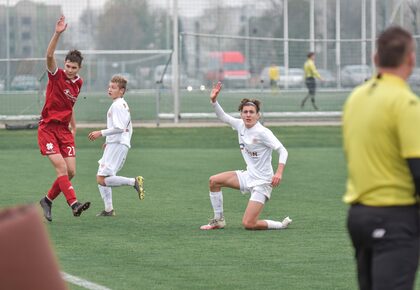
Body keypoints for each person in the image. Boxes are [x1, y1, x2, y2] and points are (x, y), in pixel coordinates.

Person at [342, 26, 420, 290]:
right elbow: (418, 169)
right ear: (411, 58)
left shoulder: (356, 98)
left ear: (376, 58)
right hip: (394, 217)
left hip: (358, 216)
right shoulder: (406, 104)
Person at [200, 82, 292, 230]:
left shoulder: (263, 132)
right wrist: (214, 100)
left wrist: (279, 172)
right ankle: (218, 220)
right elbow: (222, 116)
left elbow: (283, 151)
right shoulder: (239, 125)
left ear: (258, 115)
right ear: (241, 114)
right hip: (248, 175)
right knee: (214, 181)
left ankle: (280, 225)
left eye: (251, 112)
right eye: (245, 112)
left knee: (249, 224)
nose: (248, 115)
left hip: (262, 182)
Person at [39, 15, 90, 222]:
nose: (69, 70)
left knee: (70, 172)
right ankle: (74, 203)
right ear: (64, 65)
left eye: (73, 68)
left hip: (64, 131)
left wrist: (74, 125)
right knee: (61, 168)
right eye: (67, 66)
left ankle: (47, 200)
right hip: (48, 129)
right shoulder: (56, 75)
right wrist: (58, 33)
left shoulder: (78, 83)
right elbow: (49, 54)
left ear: (79, 69)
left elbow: (70, 106)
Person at [88, 75, 144, 217]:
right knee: (103, 176)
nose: (110, 89)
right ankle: (108, 209)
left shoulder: (118, 105)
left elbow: (119, 127)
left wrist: (100, 133)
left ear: (122, 91)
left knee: (101, 179)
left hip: (118, 144)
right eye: (109, 87)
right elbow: (125, 128)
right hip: (116, 143)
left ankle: (134, 182)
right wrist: (108, 141)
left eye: (113, 87)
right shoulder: (121, 104)